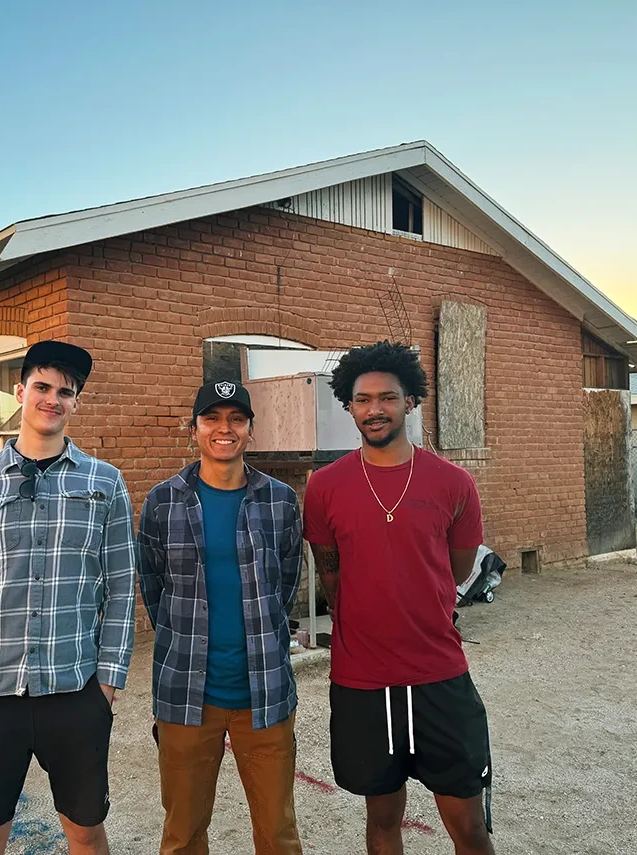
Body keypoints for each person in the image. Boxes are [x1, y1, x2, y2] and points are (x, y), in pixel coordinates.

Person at [0, 340, 137, 855]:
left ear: (76, 403)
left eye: (66, 392)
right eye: (42, 387)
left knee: (86, 831)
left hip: (74, 690)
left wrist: (108, 683)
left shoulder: (104, 484)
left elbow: (119, 589)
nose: (53, 399)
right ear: (19, 391)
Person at [302, 341, 495, 855]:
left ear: (411, 401)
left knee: (469, 827)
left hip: (438, 673)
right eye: (362, 400)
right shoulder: (324, 487)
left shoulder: (453, 483)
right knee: (383, 822)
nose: (374, 410)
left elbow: (455, 571)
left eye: (387, 397)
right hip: (362, 678)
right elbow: (330, 572)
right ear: (349, 405)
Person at [138, 379, 304, 855]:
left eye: (236, 419)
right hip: (187, 696)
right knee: (183, 834)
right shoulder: (162, 503)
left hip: (265, 695)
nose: (224, 429)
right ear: (194, 429)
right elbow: (154, 588)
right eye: (212, 418)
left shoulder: (280, 501)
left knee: (278, 833)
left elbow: (285, 583)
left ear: (251, 429)